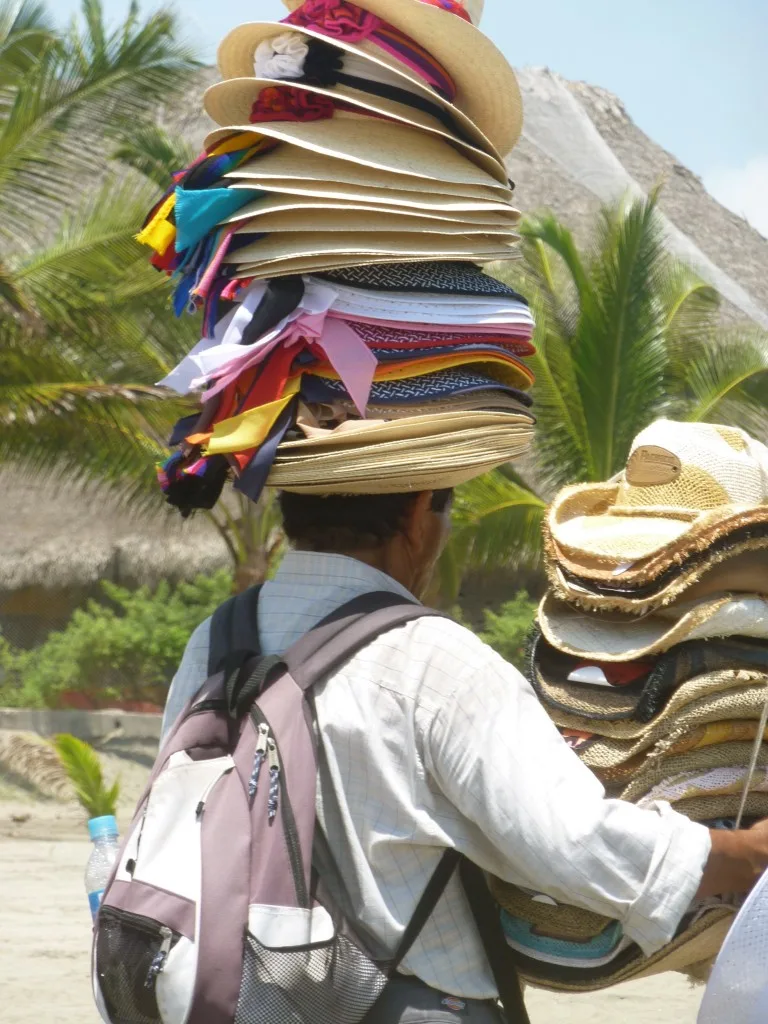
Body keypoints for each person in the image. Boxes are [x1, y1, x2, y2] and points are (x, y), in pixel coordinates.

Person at [162, 487, 768, 1023]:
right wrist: (740, 854)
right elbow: (572, 843)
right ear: (419, 514)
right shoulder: (433, 659)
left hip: (233, 994)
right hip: (399, 1004)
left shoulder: (216, 638)